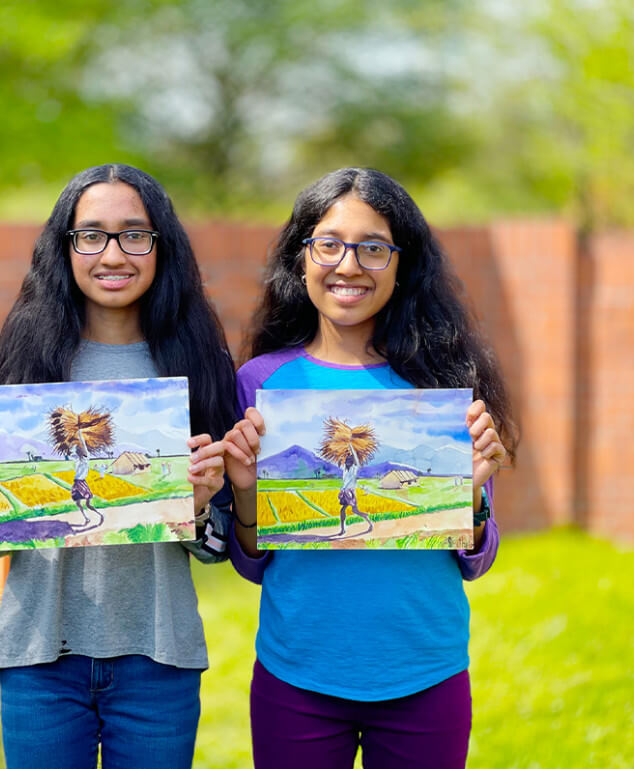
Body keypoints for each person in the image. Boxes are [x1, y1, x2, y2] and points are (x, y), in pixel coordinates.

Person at [220, 167, 517, 769]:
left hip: (425, 671)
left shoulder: (442, 385)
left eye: (373, 248)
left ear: (402, 264)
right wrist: (246, 492)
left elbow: (474, 560)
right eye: (328, 244)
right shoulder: (259, 383)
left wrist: (474, 492)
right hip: (296, 672)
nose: (348, 265)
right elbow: (251, 561)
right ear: (301, 258)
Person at [0, 164, 237, 769]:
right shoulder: (23, 360)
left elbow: (218, 547)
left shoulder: (197, 364)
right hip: (38, 655)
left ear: (161, 247)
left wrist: (204, 504)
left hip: (160, 656)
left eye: (134, 234)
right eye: (91, 234)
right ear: (66, 246)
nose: (113, 253)